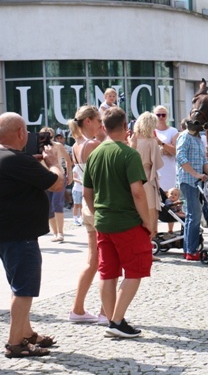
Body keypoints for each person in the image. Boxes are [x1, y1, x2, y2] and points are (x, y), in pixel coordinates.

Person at [83, 107, 155, 338]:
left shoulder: (94, 154)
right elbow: (138, 192)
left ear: (103, 128)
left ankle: (111, 318)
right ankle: (116, 320)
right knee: (135, 271)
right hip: (127, 222)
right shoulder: (128, 154)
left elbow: (86, 192)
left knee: (108, 272)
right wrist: (148, 222)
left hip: (103, 222)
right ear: (126, 128)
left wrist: (98, 213)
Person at [1, 112, 64, 358]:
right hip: (20, 235)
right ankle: (15, 343)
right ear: (19, 133)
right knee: (24, 290)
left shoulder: (9, 158)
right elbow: (56, 184)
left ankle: (27, 333)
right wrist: (54, 163)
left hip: (7, 234)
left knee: (19, 287)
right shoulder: (17, 160)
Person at [68, 105, 106, 324]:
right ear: (89, 121)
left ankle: (78, 308)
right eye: (98, 120)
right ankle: (106, 311)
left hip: (86, 204)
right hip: (98, 204)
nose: (101, 124)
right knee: (107, 259)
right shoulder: (92, 144)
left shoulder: (76, 145)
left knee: (92, 260)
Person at [176, 110, 208, 261]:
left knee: (194, 215)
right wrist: (196, 174)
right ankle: (190, 250)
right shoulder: (184, 136)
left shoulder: (198, 139)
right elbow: (180, 157)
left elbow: (204, 159)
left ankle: (189, 249)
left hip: (198, 181)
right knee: (194, 214)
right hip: (188, 180)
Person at [129, 112, 164, 235]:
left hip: (132, 177)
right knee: (150, 211)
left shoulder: (131, 140)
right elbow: (158, 163)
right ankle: (150, 238)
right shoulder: (151, 141)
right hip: (147, 176)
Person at [40, 127, 73, 242]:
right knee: (48, 206)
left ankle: (60, 233)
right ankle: (54, 233)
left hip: (58, 176)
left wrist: (70, 174)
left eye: (49, 135)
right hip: (45, 178)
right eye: (44, 135)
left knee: (57, 203)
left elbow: (68, 159)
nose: (47, 137)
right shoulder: (39, 147)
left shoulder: (58, 146)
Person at [154, 105, 179, 192]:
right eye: (158, 115)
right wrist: (166, 148)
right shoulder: (152, 131)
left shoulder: (173, 131)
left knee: (169, 195)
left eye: (163, 115)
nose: (161, 117)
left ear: (166, 116)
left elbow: (175, 151)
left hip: (168, 168)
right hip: (156, 168)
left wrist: (161, 144)